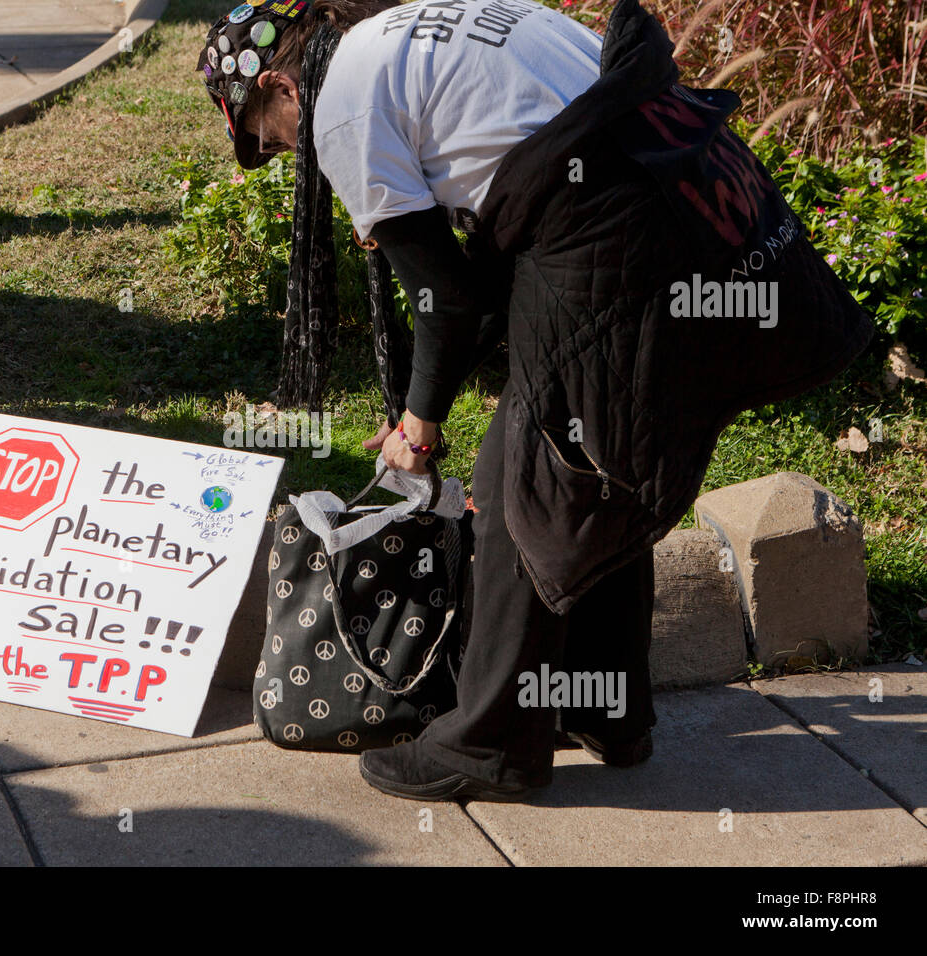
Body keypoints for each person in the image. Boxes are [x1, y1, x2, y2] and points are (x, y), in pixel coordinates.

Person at [197, 0, 873, 799]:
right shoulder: (415, 26)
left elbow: (444, 302)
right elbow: (476, 287)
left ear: (280, 84)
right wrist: (425, 396)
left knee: (521, 483)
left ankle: (489, 746)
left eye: (266, 133)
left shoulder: (342, 107)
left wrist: (419, 424)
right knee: (596, 467)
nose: (281, 151)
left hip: (611, 233)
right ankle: (608, 712)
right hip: (679, 189)